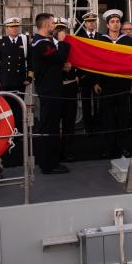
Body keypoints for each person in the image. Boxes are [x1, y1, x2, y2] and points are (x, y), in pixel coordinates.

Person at [94, 9, 132, 158]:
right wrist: (96, 82)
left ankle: (123, 147)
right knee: (107, 117)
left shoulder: (128, 41)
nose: (115, 24)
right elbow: (96, 63)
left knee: (123, 117)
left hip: (123, 84)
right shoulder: (101, 40)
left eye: (118, 21)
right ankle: (108, 147)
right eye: (112, 22)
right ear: (107, 24)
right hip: (106, 85)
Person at [31, 13, 71, 174]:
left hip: (51, 89)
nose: (55, 26)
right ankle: (48, 165)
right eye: (53, 23)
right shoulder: (41, 44)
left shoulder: (43, 43)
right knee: (50, 127)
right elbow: (59, 56)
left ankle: (51, 161)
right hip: (49, 91)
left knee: (53, 126)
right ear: (46, 24)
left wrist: (62, 67)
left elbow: (51, 63)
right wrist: (62, 41)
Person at [0, 17, 32, 166]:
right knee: (6, 108)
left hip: (20, 81)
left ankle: (19, 134)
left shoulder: (24, 42)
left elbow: (30, 60)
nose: (15, 29)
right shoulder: (0, 42)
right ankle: (7, 132)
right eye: (12, 27)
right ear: (7, 28)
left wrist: (29, 77)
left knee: (19, 107)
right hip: (6, 81)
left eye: (16, 27)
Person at [54, 18, 79, 162]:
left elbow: (79, 60)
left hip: (70, 86)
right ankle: (56, 151)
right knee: (55, 121)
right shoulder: (49, 45)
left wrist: (72, 67)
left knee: (69, 122)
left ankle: (67, 150)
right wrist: (61, 66)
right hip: (56, 87)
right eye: (58, 29)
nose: (60, 32)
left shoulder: (72, 44)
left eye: (63, 29)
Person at [77, 11, 100, 132]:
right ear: (85, 23)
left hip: (98, 77)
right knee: (86, 105)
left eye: (93, 21)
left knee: (99, 105)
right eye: (89, 22)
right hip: (85, 77)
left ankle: (98, 127)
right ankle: (88, 129)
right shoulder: (80, 38)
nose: (91, 24)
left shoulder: (100, 37)